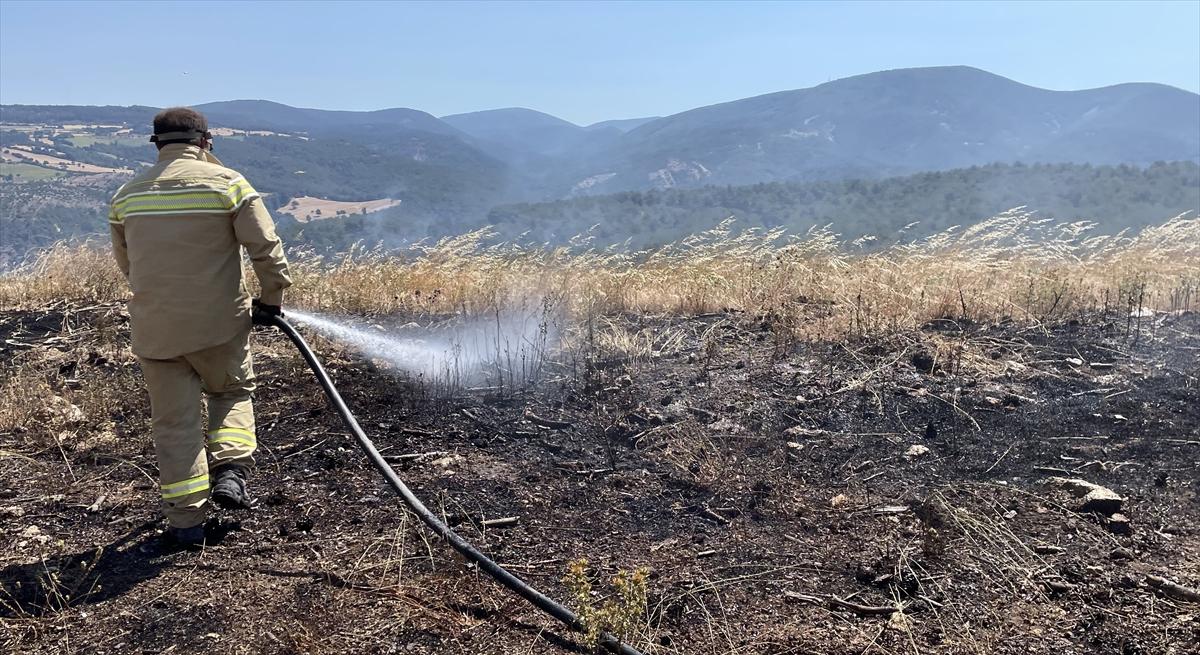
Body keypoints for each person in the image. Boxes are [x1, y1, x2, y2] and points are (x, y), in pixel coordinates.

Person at [108, 107, 291, 546]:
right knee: (230, 392)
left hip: (156, 332)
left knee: (173, 425)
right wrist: (271, 301)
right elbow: (266, 249)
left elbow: (128, 264)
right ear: (205, 141)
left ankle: (185, 523)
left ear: (156, 144)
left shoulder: (127, 195)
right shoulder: (228, 184)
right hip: (219, 326)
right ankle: (229, 470)